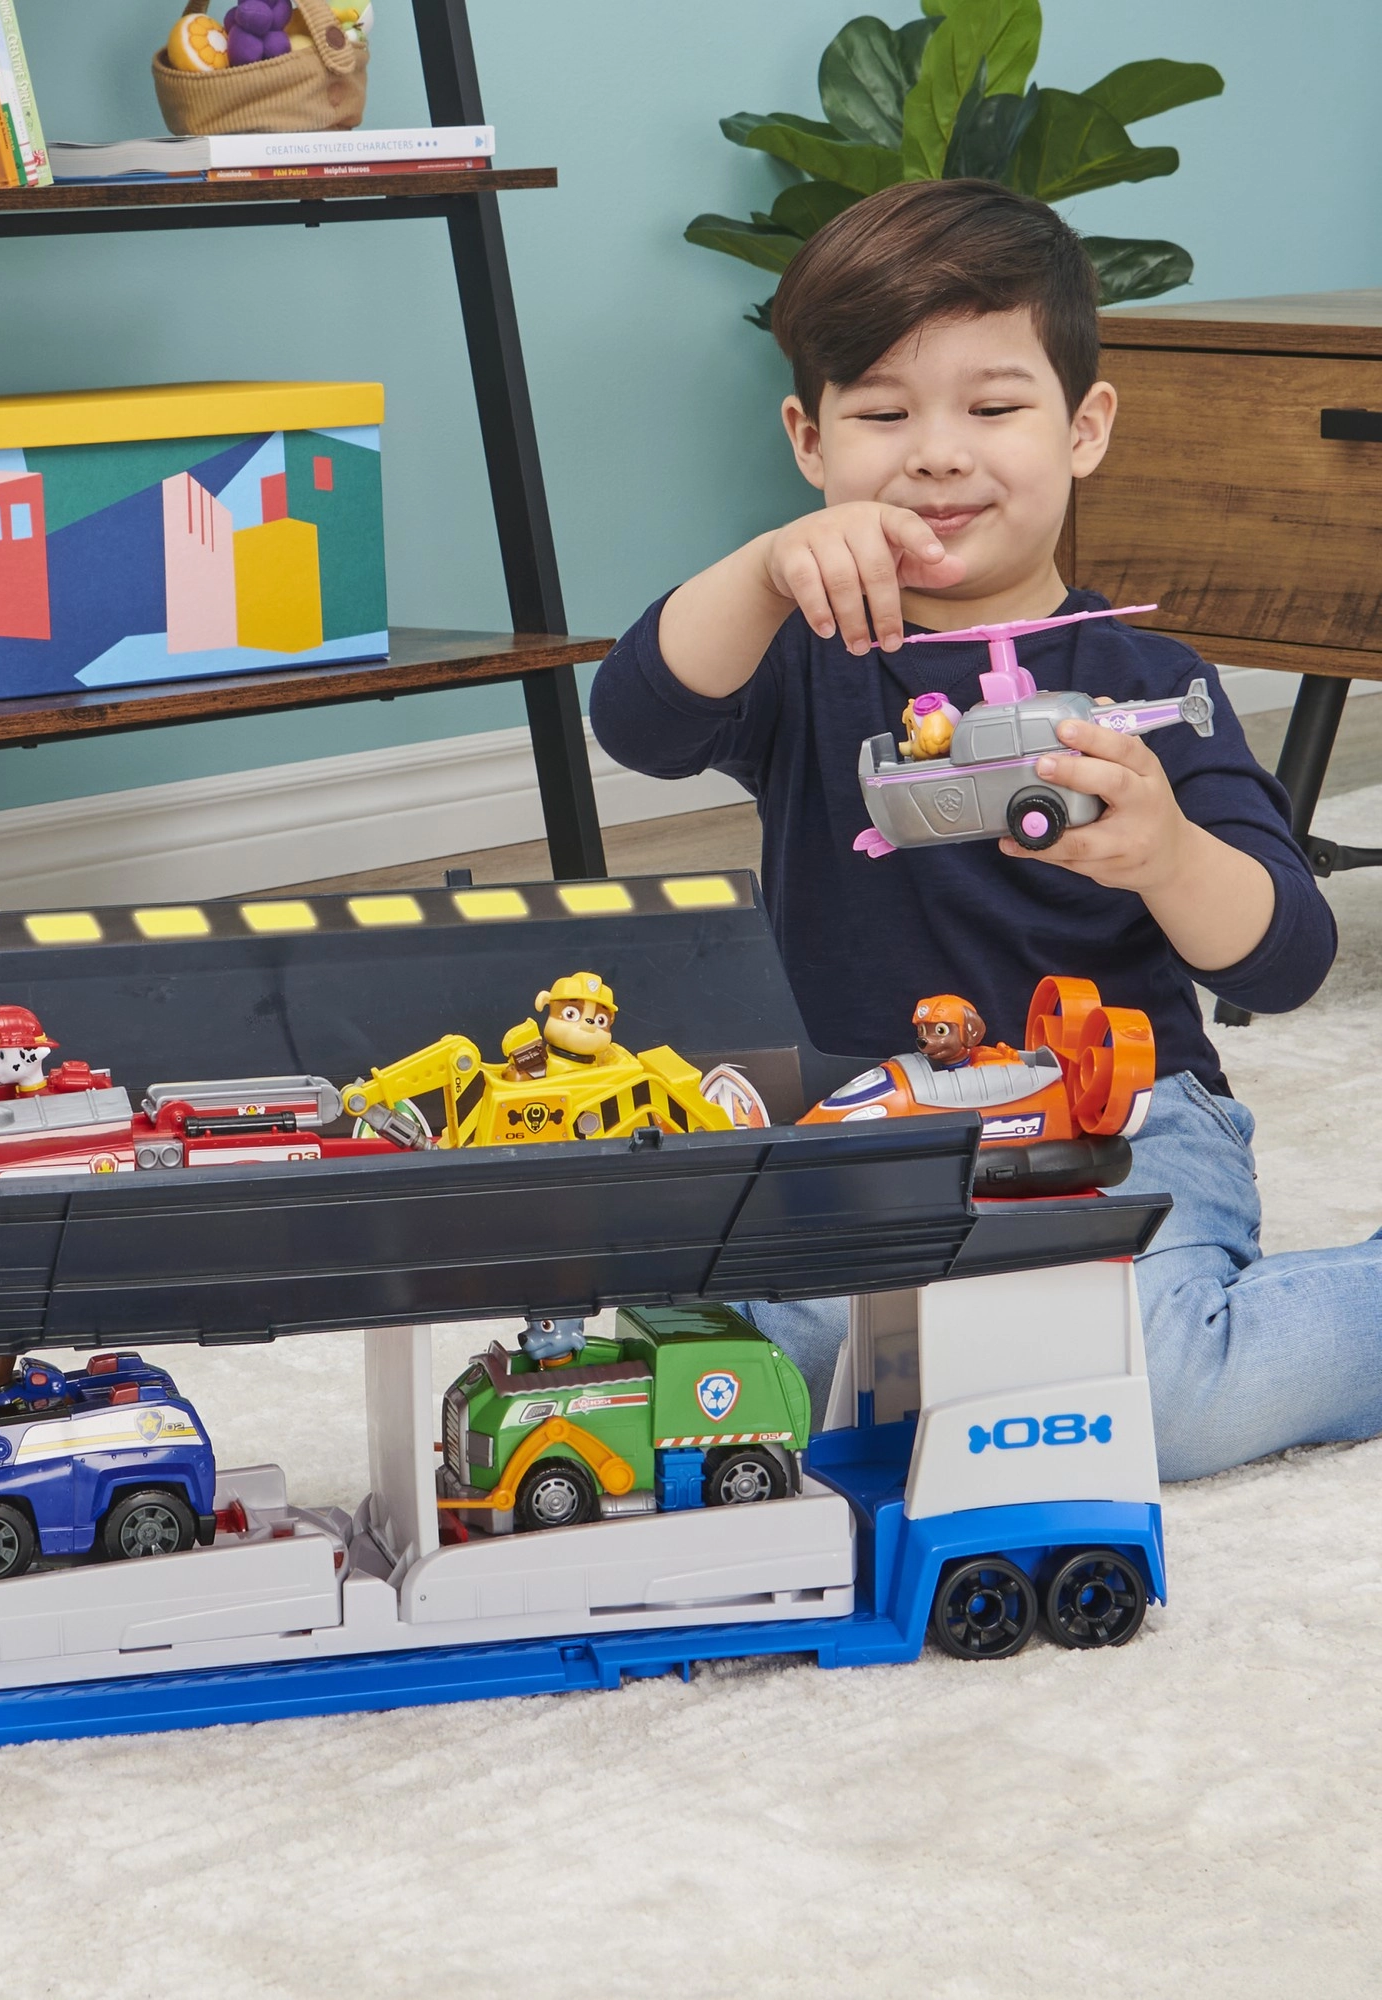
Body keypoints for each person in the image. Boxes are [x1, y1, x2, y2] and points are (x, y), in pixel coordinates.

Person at [589, 177, 1380, 1481]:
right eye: (883, 413)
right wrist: (766, 570)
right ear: (809, 442)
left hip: (1123, 1120)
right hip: (866, 1134)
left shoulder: (1147, 679)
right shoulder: (798, 656)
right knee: (759, 1391)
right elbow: (637, 722)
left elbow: (1288, 956)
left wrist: (1171, 855)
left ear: (1084, 428)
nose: (939, 454)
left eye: (995, 407)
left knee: (1162, 1398)